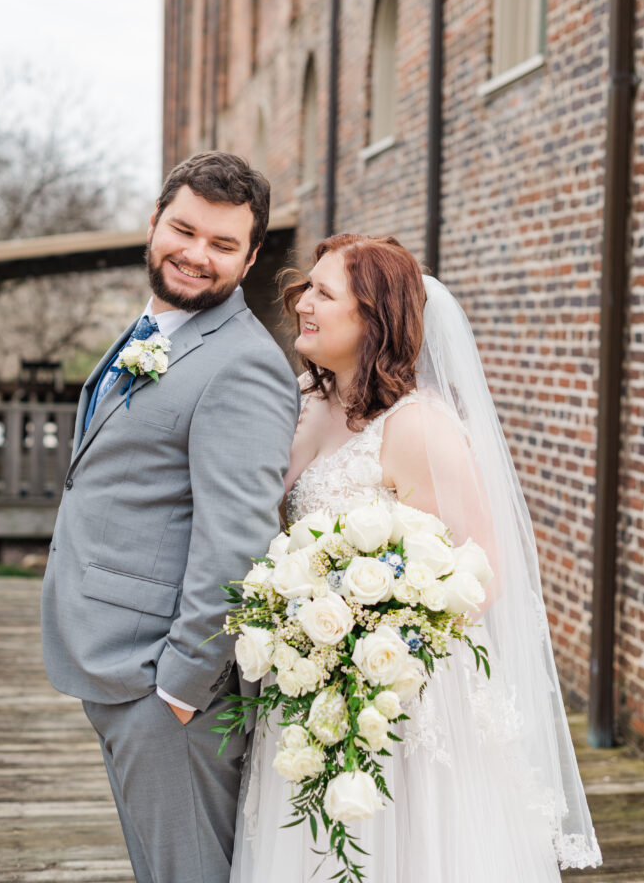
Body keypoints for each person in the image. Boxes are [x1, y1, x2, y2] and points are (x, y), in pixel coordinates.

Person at [230, 233, 601, 883]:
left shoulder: (416, 426)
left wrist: (366, 640)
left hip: (397, 700)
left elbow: (481, 569)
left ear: (373, 316)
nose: (301, 303)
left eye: (323, 292)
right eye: (305, 287)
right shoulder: (304, 400)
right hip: (308, 683)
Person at [41, 152, 299, 883]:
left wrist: (180, 689)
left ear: (248, 260)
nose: (195, 255)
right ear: (154, 223)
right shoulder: (156, 329)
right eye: (184, 230)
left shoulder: (242, 365)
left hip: (165, 687)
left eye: (222, 245)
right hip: (113, 661)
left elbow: (239, 544)